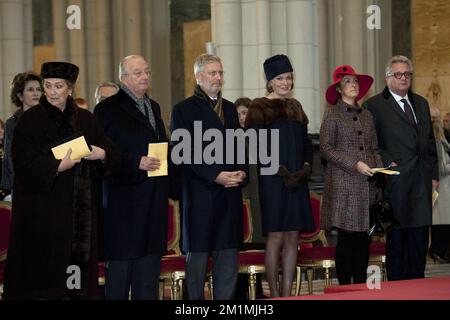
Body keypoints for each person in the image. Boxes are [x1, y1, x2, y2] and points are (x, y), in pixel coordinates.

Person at [2, 61, 119, 299]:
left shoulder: (86, 119)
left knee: (77, 280)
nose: (53, 92)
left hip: (80, 212)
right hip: (43, 213)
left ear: (70, 89)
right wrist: (56, 166)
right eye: (48, 86)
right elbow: (22, 161)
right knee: (46, 280)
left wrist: (102, 154)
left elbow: (109, 150)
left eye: (59, 86)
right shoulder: (30, 120)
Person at [171, 53, 246, 300]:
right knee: (198, 258)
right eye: (212, 73)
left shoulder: (230, 108)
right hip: (200, 191)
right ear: (198, 76)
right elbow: (183, 153)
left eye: (220, 73)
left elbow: (239, 145)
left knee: (227, 255)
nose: (218, 78)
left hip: (229, 193)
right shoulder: (183, 109)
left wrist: (240, 171)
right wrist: (215, 175)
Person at [94, 55, 169, 300]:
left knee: (147, 276)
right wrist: (134, 161)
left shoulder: (154, 106)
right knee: (120, 276)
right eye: (138, 73)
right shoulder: (107, 108)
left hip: (152, 197)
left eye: (147, 71)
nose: (145, 76)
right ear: (123, 78)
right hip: (123, 202)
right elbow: (104, 150)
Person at [364, 55, 438, 281]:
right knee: (397, 239)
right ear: (388, 79)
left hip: (421, 181)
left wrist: (434, 175)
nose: (404, 78)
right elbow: (370, 142)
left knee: (419, 238)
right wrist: (388, 162)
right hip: (395, 180)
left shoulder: (421, 103)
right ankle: (397, 288)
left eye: (407, 74)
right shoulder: (375, 105)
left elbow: (430, 142)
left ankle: (418, 284)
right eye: (398, 74)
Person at [245, 54, 314, 297]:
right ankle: (274, 295)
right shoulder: (259, 106)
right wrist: (280, 170)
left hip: (297, 179)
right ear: (270, 81)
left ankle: (288, 294)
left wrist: (305, 167)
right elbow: (254, 145)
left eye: (289, 78)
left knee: (294, 236)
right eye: (280, 78)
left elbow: (306, 143)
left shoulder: (296, 107)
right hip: (273, 181)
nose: (285, 83)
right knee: (275, 236)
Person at [320, 65, 383, 285]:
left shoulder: (367, 115)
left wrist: (379, 169)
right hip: (344, 185)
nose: (353, 85)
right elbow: (326, 148)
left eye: (355, 81)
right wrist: (355, 164)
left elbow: (374, 149)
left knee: (364, 240)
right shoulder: (332, 114)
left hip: (366, 185)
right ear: (338, 89)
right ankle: (345, 288)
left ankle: (361, 288)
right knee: (347, 240)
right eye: (347, 81)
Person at [1, 71, 42, 200]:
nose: (36, 93)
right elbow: (9, 157)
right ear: (20, 95)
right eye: (30, 89)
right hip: (21, 186)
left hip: (46, 182)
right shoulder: (12, 123)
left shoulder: (49, 119)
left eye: (38, 89)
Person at [428, 108, 450, 263]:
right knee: (441, 223)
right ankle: (437, 252)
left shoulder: (441, 142)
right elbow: (442, 167)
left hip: (442, 187)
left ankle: (438, 252)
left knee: (440, 223)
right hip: (441, 188)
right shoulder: (438, 143)